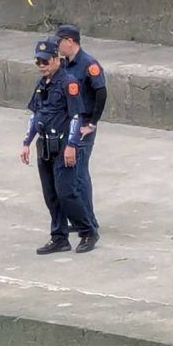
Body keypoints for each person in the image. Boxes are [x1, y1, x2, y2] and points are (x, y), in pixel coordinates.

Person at [20, 38, 99, 254]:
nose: (41, 66)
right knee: (51, 194)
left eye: (45, 61)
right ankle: (59, 237)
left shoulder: (68, 83)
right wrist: (27, 142)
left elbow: (76, 117)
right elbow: (36, 115)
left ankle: (88, 231)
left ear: (56, 59)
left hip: (63, 145)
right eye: (38, 62)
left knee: (67, 192)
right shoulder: (41, 85)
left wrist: (72, 145)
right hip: (44, 146)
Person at [55, 24, 107, 236]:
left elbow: (101, 93)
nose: (57, 46)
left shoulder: (88, 64)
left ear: (70, 41)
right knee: (71, 173)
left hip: (83, 125)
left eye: (59, 42)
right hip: (69, 124)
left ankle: (89, 220)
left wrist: (92, 122)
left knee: (79, 173)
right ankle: (79, 219)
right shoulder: (65, 64)